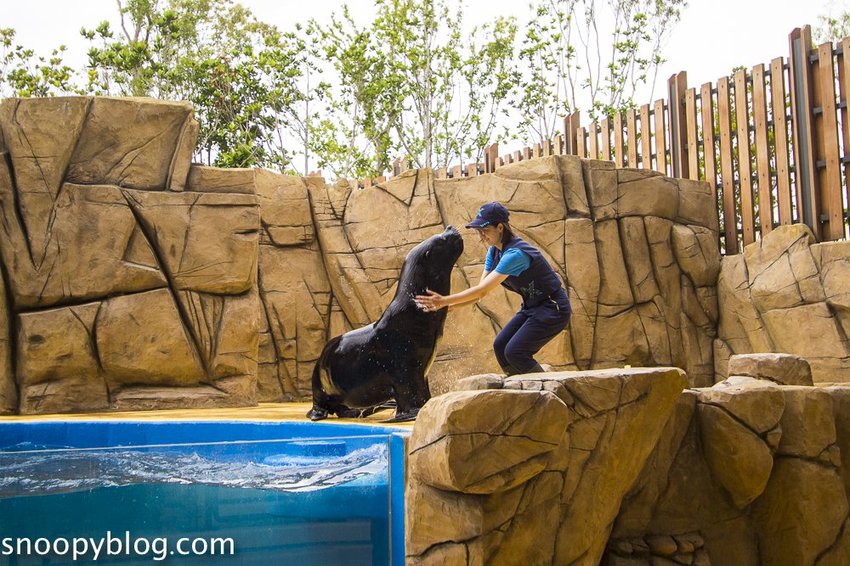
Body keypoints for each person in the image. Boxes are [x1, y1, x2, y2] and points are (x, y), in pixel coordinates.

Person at [415, 202, 571, 375]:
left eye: (486, 230)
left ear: (500, 228)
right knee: (500, 346)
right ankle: (519, 386)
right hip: (531, 307)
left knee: (515, 352)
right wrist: (452, 305)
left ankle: (546, 388)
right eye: (479, 231)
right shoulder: (494, 252)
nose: (482, 236)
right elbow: (480, 292)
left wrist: (444, 300)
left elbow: (482, 291)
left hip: (553, 307)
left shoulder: (515, 254)